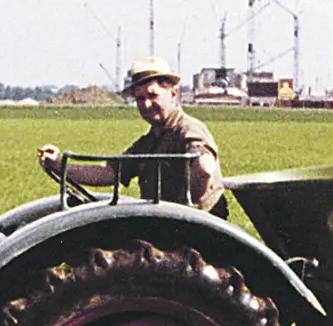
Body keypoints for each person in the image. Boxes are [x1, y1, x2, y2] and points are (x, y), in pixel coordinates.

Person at [36, 56, 228, 217]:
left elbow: (204, 169)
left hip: (192, 232)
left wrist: (188, 211)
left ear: (173, 93)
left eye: (153, 96)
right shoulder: (149, 141)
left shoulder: (188, 130)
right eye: (140, 98)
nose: (146, 104)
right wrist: (60, 165)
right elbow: (109, 172)